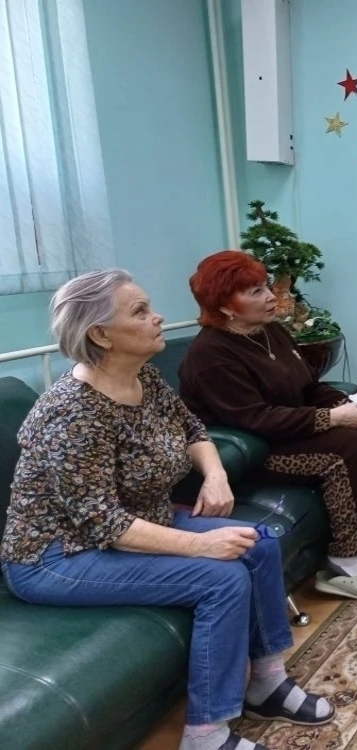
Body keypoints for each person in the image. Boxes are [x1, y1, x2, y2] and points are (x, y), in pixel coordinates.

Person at [0, 270, 332, 750]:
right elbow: (102, 522)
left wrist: (216, 475)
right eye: (140, 311)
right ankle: (205, 734)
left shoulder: (143, 379)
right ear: (101, 335)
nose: (158, 317)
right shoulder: (70, 412)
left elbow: (193, 429)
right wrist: (201, 545)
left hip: (137, 522)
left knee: (259, 543)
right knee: (222, 577)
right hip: (56, 557)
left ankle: (266, 682)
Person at [178, 251, 357, 601]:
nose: (271, 296)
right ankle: (346, 564)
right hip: (253, 449)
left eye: (266, 286)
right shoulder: (210, 355)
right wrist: (332, 419)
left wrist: (344, 404)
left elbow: (308, 386)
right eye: (255, 292)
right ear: (225, 307)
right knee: (348, 449)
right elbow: (256, 418)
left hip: (288, 431)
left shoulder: (270, 331)